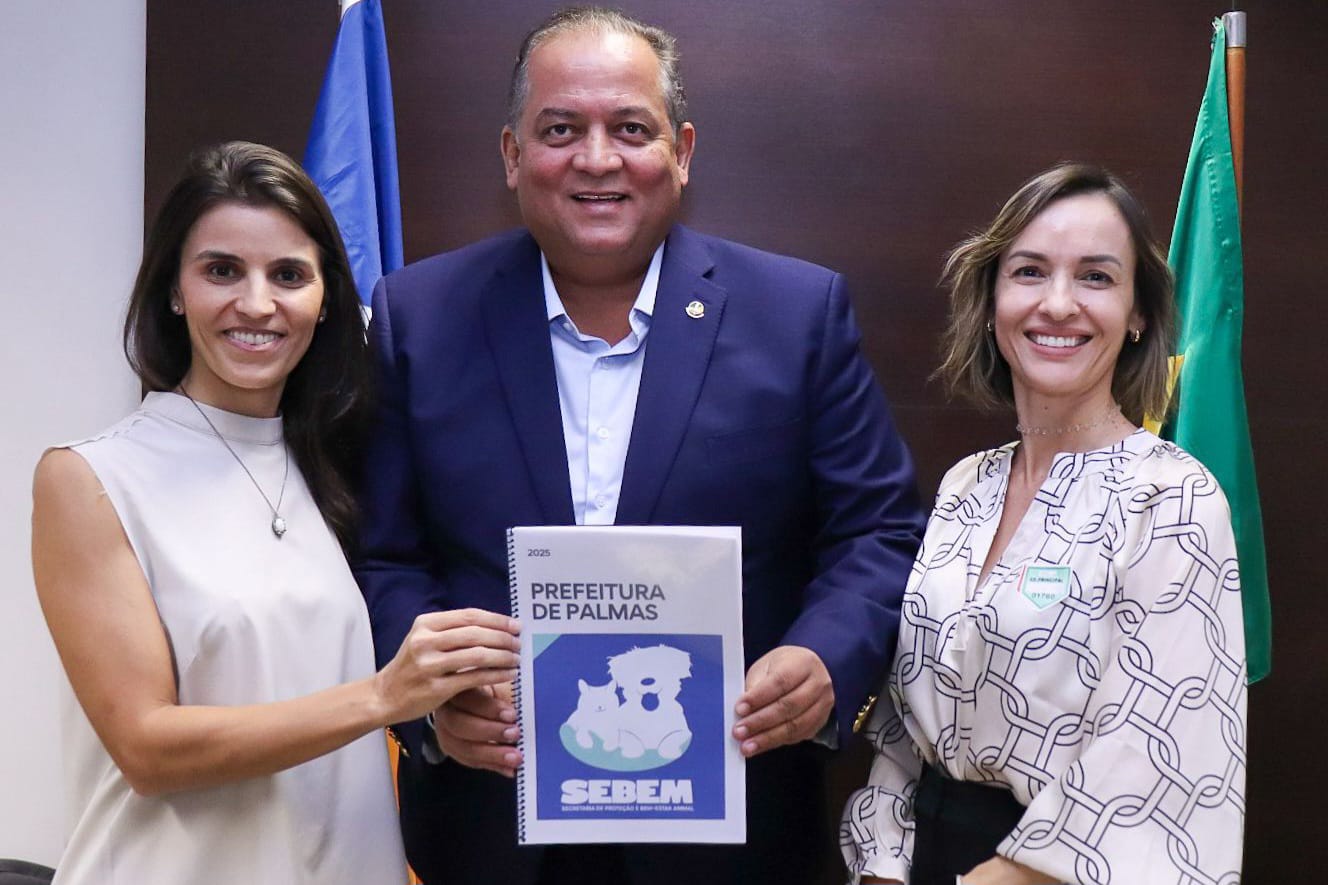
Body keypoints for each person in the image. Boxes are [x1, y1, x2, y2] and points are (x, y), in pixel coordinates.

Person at [353, 7, 925, 884]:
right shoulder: (416, 320)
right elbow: (384, 554)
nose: (596, 158)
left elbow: (879, 532)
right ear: (512, 154)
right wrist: (431, 708)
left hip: (733, 837)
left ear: (682, 151)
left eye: (630, 128)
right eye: (559, 129)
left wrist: (823, 658)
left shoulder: (797, 316)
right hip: (490, 830)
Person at [30, 141, 521, 884]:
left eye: (288, 274)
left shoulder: (349, 470)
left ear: (325, 301)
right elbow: (148, 748)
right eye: (221, 269)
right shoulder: (91, 477)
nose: (256, 303)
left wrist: (447, 718)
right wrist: (385, 696)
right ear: (173, 288)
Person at [840, 163, 1247, 885]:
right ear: (994, 298)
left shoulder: (1173, 499)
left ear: (1140, 313)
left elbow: (1150, 764)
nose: (1058, 304)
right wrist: (880, 867)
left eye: (1095, 277)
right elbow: (905, 724)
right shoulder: (968, 485)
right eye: (1029, 271)